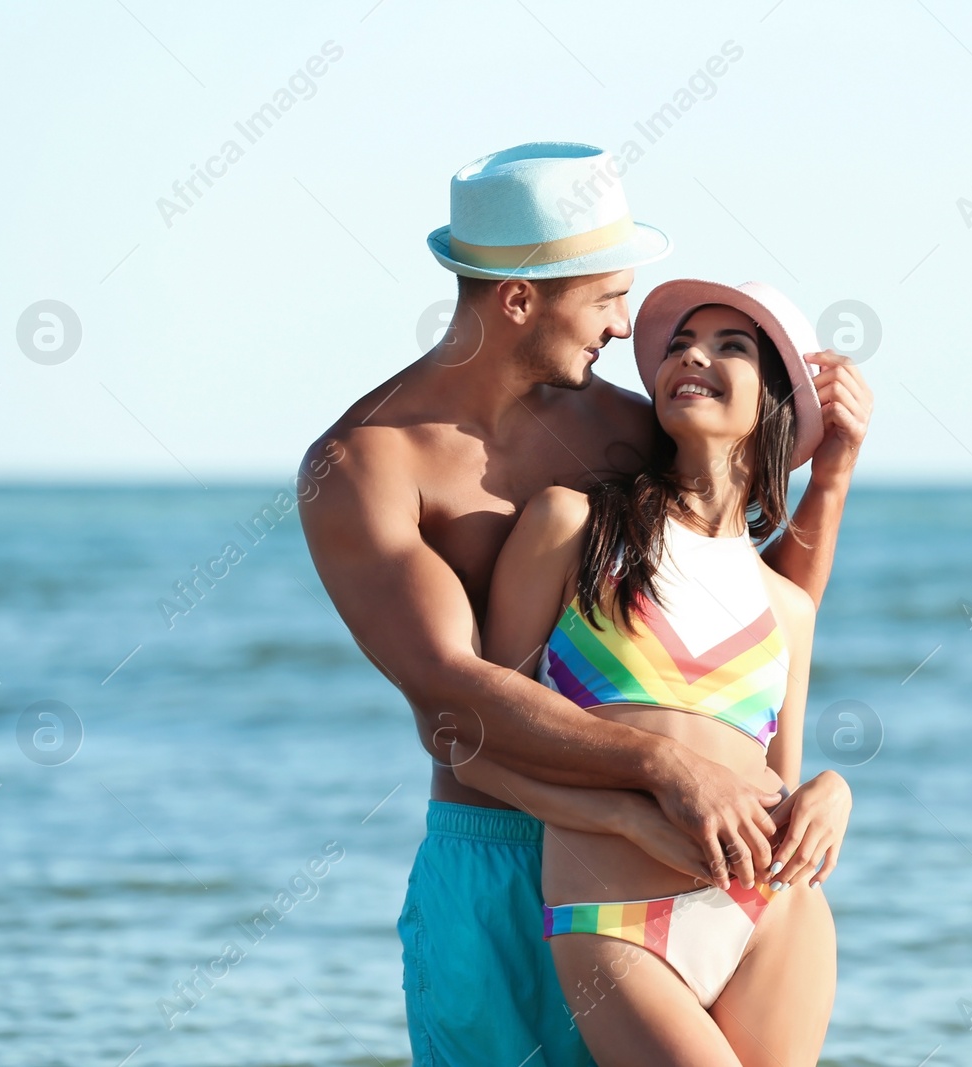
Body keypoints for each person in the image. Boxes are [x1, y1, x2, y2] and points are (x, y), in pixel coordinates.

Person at [298, 142, 873, 1066]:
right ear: (520, 297)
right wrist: (660, 772)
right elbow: (453, 696)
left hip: (674, 852)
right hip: (497, 857)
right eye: (609, 297)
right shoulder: (365, 466)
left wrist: (831, 476)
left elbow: (746, 621)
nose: (624, 329)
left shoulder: (623, 429)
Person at [457, 280, 851, 1066]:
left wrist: (833, 793)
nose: (692, 356)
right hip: (613, 921)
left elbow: (777, 782)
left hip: (773, 914)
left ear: (776, 399)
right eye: (678, 346)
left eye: (729, 346)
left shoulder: (787, 607)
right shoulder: (572, 526)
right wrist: (621, 817)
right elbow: (476, 746)